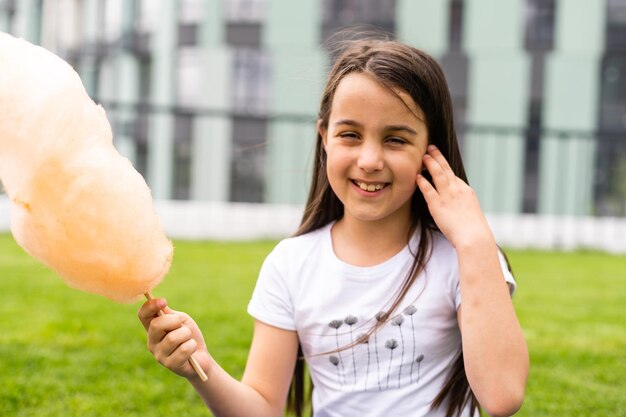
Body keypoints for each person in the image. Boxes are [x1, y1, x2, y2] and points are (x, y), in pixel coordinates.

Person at [138, 37, 529, 417]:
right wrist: (200, 368)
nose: (370, 159)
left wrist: (474, 239)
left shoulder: (466, 257)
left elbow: (502, 396)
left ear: (432, 150)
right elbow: (261, 406)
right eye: (350, 135)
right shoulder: (290, 265)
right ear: (325, 137)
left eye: (395, 139)